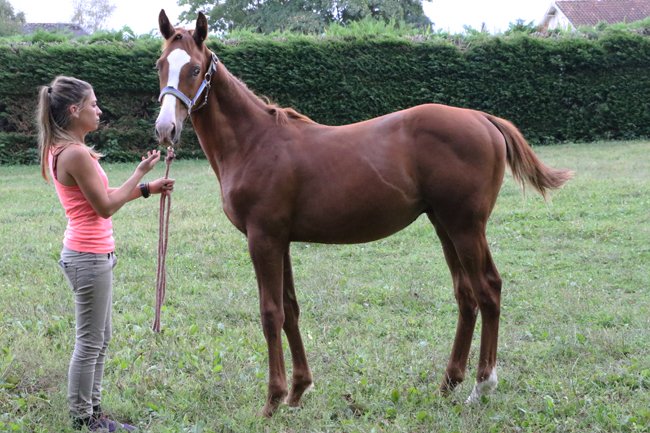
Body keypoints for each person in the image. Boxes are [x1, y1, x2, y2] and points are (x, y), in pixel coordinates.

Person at [36, 75, 175, 431]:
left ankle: (93, 412)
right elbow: (105, 207)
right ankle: (84, 419)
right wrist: (141, 178)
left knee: (100, 338)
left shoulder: (64, 149)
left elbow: (102, 197)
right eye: (94, 104)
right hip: (88, 257)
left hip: (89, 255)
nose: (99, 110)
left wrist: (145, 185)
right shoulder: (75, 154)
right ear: (74, 109)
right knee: (89, 342)